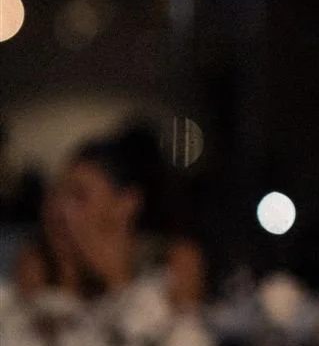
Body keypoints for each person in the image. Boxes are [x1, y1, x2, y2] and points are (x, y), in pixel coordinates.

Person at [13, 125, 205, 310]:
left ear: (126, 202)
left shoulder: (173, 259)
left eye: (79, 196)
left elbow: (179, 326)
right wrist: (67, 273)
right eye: (56, 193)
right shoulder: (39, 260)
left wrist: (114, 277)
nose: (60, 208)